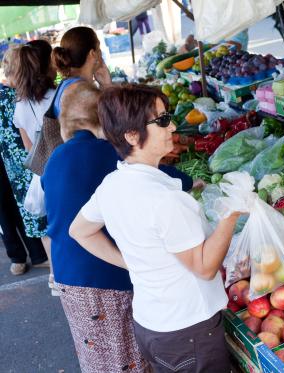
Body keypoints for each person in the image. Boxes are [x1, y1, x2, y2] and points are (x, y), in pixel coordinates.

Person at [70, 84, 240, 373]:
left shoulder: (112, 185)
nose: (172, 125)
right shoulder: (164, 200)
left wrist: (133, 263)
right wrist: (232, 211)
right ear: (132, 135)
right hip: (188, 331)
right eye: (161, 120)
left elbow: (80, 230)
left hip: (152, 325)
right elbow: (204, 267)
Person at [42, 82, 198, 372]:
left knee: (96, 354)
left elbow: (51, 217)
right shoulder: (105, 153)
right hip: (102, 275)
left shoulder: (56, 158)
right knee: (125, 357)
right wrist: (129, 262)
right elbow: (163, 174)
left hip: (66, 274)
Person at [11, 39, 57, 284]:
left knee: (47, 224)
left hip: (42, 172)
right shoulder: (58, 96)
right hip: (66, 168)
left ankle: (54, 275)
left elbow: (29, 148)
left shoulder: (20, 105)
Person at [0, 46, 48, 275]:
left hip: (23, 159)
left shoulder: (16, 95)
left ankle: (39, 255)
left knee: (30, 204)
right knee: (7, 207)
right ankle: (18, 256)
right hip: (17, 159)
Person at [51, 26, 112, 121]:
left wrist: (105, 85)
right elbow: (114, 124)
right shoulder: (84, 93)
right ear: (93, 54)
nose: (101, 52)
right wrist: (107, 86)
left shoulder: (66, 84)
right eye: (98, 47)